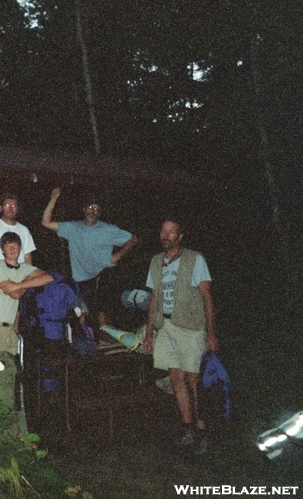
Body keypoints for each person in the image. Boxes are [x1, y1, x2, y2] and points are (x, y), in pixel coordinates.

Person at [143, 218, 218, 454]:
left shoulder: (195, 259)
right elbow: (153, 298)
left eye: (171, 232)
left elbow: (207, 297)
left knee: (195, 381)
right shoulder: (156, 261)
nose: (166, 236)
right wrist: (149, 332)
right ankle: (187, 429)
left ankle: (202, 431)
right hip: (165, 327)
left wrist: (211, 333)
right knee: (175, 377)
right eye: (163, 231)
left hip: (191, 328)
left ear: (180, 236)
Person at [0, 232, 53, 406]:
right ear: (2, 250)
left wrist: (20, 282)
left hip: (9, 329)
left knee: (8, 376)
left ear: (20, 249)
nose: (12, 249)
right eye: (8, 246)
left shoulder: (24, 268)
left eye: (15, 246)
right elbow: (16, 294)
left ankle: (8, 423)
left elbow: (48, 277)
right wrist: (26, 282)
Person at [41, 187, 138, 327]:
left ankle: (107, 335)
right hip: (82, 278)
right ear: (84, 209)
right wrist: (53, 198)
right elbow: (45, 222)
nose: (93, 211)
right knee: (81, 313)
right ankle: (88, 340)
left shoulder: (108, 229)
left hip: (104, 273)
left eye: (97, 209)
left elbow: (133, 239)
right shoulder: (73, 228)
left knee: (101, 309)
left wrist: (117, 256)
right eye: (91, 207)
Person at [0, 194, 36, 271]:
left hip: (19, 277)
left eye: (14, 206)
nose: (10, 208)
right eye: (7, 205)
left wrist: (29, 278)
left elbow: (28, 258)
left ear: (17, 209)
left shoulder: (24, 230)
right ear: (1, 208)